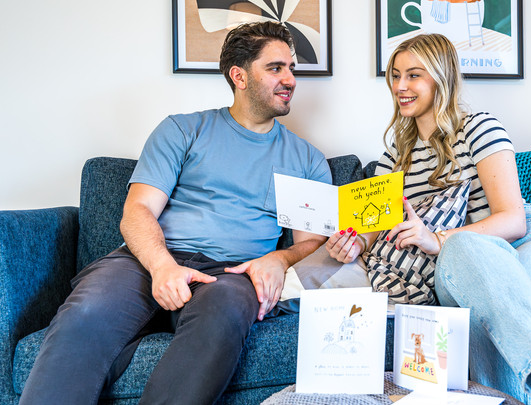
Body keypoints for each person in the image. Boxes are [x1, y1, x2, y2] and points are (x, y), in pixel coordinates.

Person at [20, 21, 331, 405]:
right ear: (239, 76)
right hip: (147, 261)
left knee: (223, 316)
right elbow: (137, 210)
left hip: (232, 274)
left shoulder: (307, 161)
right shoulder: (182, 130)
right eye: (275, 68)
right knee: (86, 312)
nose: (290, 80)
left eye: (291, 69)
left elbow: (311, 244)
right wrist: (162, 267)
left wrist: (279, 259)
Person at [325, 34, 531, 405]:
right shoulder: (394, 156)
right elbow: (376, 226)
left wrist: (436, 239)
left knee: (481, 314)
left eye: (413, 75)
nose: (400, 86)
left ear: (441, 78)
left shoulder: (479, 128)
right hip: (459, 267)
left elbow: (514, 220)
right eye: (395, 75)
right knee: (465, 255)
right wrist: (355, 242)